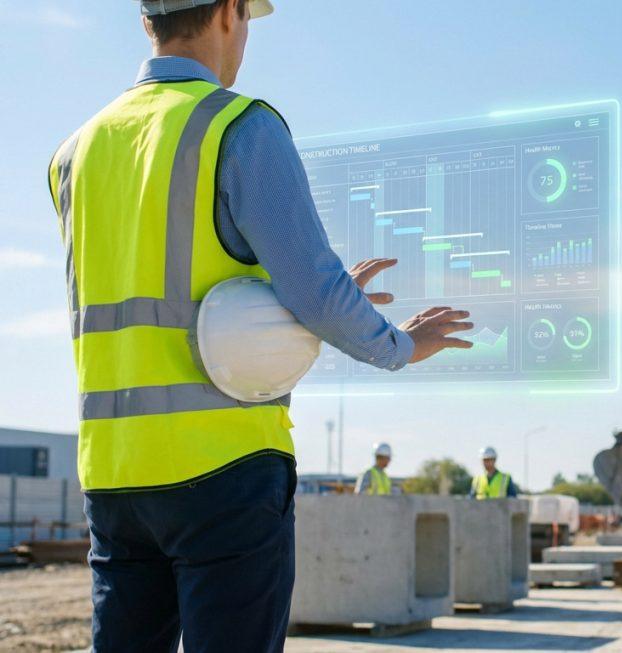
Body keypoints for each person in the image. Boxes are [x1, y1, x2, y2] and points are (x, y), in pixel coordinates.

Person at [46, 2, 474, 650]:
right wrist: (401, 344)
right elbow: (316, 293)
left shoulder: (75, 152)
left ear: (146, 23)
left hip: (112, 473)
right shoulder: (237, 126)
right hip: (225, 469)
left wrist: (307, 300)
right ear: (227, 13)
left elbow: (161, 296)